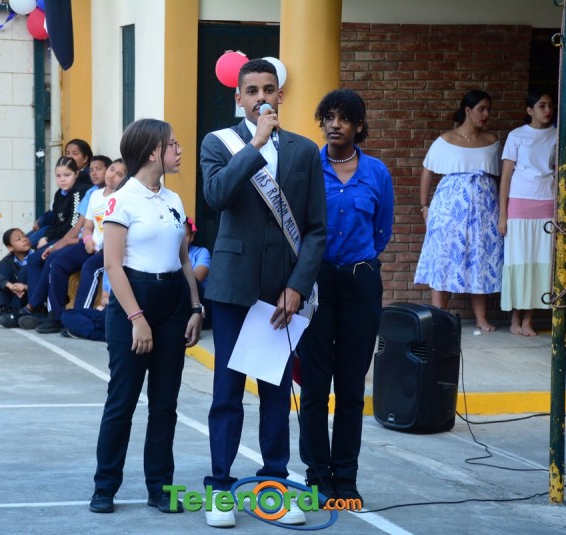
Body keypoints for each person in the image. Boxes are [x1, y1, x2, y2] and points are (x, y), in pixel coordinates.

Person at [199, 58, 326, 528]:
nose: (261, 98)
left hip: (281, 292)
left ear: (280, 95)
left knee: (276, 391)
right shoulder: (219, 143)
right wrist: (254, 144)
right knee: (227, 392)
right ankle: (220, 488)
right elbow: (216, 196)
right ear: (238, 98)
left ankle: (274, 485)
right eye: (251, 91)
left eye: (268, 90)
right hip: (233, 287)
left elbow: (315, 229)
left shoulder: (303, 150)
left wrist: (298, 286)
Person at [89, 119, 203, 515]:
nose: (179, 150)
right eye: (173, 144)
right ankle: (105, 487)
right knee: (122, 401)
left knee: (165, 404)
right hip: (133, 300)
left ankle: (161, 488)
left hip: (173, 302)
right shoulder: (122, 200)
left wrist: (195, 307)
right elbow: (112, 264)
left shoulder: (173, 199)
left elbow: (184, 260)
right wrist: (137, 318)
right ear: (153, 151)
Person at [296, 89, 393, 506]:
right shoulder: (308, 167)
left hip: (359, 283)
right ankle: (317, 477)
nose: (335, 125)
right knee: (315, 387)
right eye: (329, 117)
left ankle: (346, 479)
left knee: (351, 388)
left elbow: (382, 230)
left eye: (344, 118)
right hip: (316, 283)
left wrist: (358, 261)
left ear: (358, 125)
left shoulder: (376, 172)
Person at [414, 89, 503, 331]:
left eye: (488, 109)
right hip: (449, 209)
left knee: (480, 258)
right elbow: (427, 171)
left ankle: (481, 318)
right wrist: (424, 206)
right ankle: (437, 316)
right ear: (467, 110)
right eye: (481, 109)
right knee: (443, 256)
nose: (486, 114)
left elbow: (501, 176)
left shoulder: (493, 141)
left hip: (484, 210)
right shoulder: (445, 140)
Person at [35, 159, 125, 334]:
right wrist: (87, 239)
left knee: (90, 268)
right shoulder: (95, 195)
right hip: (90, 245)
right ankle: (56, 315)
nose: (112, 175)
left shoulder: (123, 199)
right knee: (57, 263)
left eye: (119, 174)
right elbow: (88, 226)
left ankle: (78, 319)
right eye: (112, 170)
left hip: (109, 250)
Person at [498, 91, 557, 336]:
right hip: (519, 204)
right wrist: (503, 214)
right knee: (518, 260)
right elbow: (506, 177)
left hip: (548, 203)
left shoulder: (557, 135)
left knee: (541, 262)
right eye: (541, 106)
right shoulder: (516, 136)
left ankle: (529, 319)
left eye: (550, 105)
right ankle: (514, 317)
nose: (547, 110)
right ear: (529, 110)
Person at [17, 156, 91, 328]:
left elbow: (72, 226)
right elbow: (55, 222)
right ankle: (38, 309)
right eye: (58, 176)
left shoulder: (79, 191)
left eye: (67, 175)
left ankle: (34, 306)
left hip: (74, 239)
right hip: (60, 237)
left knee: (50, 258)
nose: (62, 179)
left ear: (76, 174)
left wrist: (49, 240)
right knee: (34, 258)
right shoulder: (60, 193)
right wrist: (46, 237)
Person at [26, 139, 95, 247]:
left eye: (75, 153)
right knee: (24, 242)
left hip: (69, 235)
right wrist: (43, 223)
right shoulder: (61, 190)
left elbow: (72, 224)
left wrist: (48, 236)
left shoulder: (82, 185)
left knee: (29, 245)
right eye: (67, 153)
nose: (70, 157)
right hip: (56, 229)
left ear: (85, 158)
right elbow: (55, 215)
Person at [0, 228, 33, 327]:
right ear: (10, 247)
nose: (24, 239)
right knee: (1, 276)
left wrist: (25, 287)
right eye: (18, 239)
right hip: (17, 295)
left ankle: (27, 313)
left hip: (32, 296)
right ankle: (6, 311)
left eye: (25, 236)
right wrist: (10, 286)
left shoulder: (37, 255)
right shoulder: (9, 260)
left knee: (24, 271)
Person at [184, 217, 213, 329]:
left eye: (185, 236)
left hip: (200, 304)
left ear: (191, 237)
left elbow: (196, 278)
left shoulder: (201, 252)